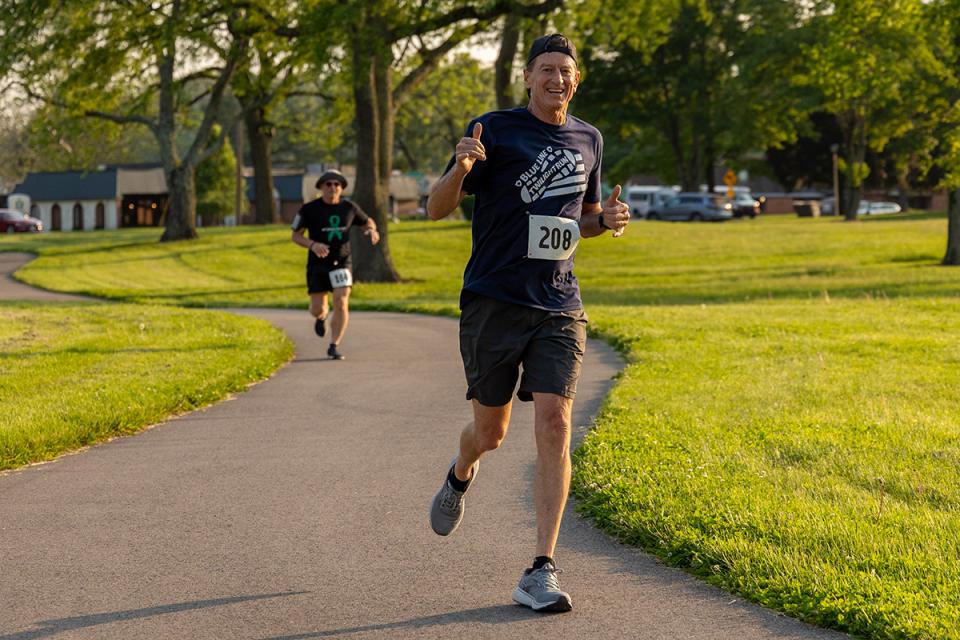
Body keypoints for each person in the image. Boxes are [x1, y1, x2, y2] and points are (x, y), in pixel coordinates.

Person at [425, 33, 630, 612]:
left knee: (555, 423)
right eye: (546, 69)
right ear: (528, 77)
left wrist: (606, 218)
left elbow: (583, 220)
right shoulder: (494, 128)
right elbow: (438, 208)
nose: (556, 79)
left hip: (559, 303)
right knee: (491, 433)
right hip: (493, 299)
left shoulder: (588, 138)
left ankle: (541, 567)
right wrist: (461, 169)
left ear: (576, 79)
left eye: (566, 70)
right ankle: (461, 471)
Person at [291, 169, 380, 360]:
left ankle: (334, 345)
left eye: (337, 184)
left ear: (341, 188)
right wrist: (313, 245)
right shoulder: (309, 209)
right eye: (328, 184)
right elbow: (295, 236)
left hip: (341, 261)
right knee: (318, 308)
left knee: (341, 301)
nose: (333, 187)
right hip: (317, 264)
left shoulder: (349, 207)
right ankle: (321, 317)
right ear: (321, 187)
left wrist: (372, 230)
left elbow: (367, 221)